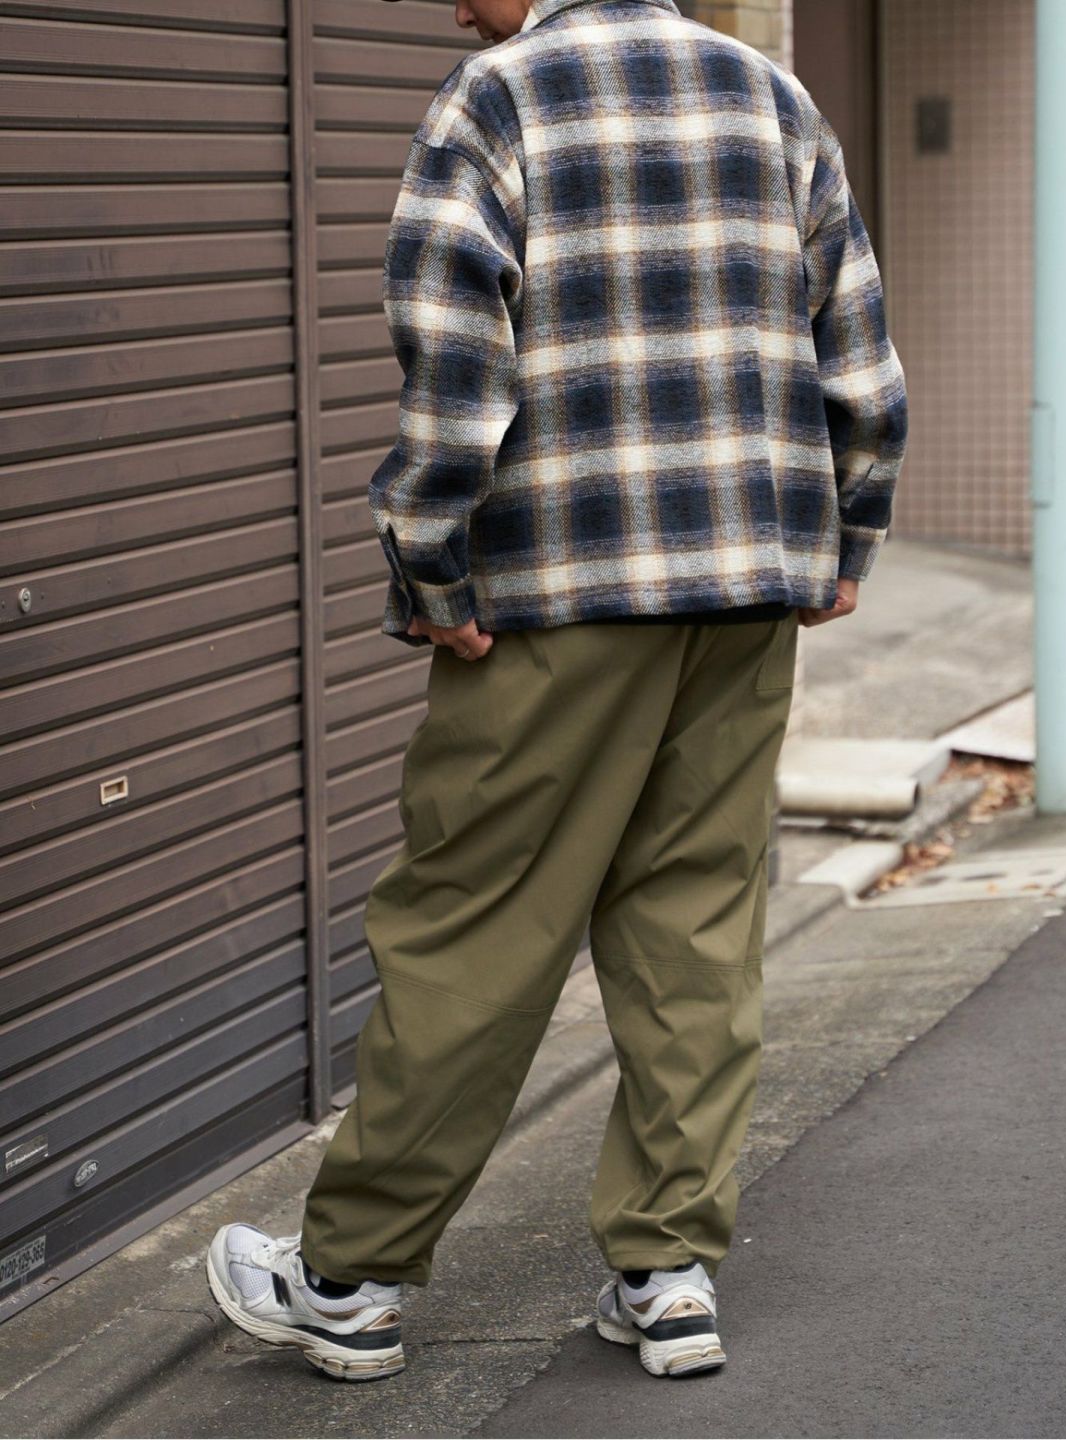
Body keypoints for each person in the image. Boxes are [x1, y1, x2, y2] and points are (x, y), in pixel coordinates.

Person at [205, 0, 908, 1383]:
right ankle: (670, 1271)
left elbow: (451, 368)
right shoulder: (766, 94)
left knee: (474, 924)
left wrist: (430, 566)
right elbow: (860, 354)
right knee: (696, 921)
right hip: (745, 585)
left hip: (555, 594)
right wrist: (850, 529)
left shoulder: (498, 98)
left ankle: (349, 1276)